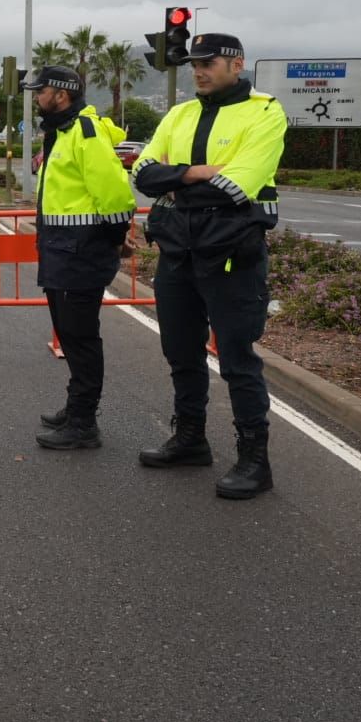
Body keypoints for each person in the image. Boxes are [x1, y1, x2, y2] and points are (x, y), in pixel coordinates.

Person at [132, 33, 287, 499]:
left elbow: (237, 188)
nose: (199, 69)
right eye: (194, 62)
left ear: (236, 65)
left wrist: (175, 181)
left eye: (210, 62)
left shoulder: (265, 111)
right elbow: (141, 174)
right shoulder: (179, 113)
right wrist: (197, 171)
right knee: (181, 351)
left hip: (230, 254)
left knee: (238, 360)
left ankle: (255, 460)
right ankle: (190, 437)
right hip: (178, 250)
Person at [17, 65, 136, 450]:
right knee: (68, 334)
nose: (36, 98)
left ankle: (84, 423)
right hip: (61, 249)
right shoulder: (61, 132)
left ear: (62, 94)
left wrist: (117, 239)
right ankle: (76, 407)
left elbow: (115, 196)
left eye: (41, 91)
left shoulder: (85, 133)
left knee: (81, 338)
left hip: (81, 251)